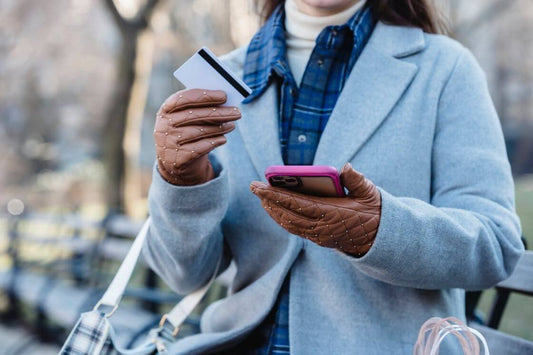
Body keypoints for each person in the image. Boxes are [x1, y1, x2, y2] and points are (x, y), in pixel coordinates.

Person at [143, 0, 525, 353]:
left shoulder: (446, 70)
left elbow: (496, 244)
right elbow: (183, 275)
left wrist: (379, 231)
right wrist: (182, 181)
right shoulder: (223, 80)